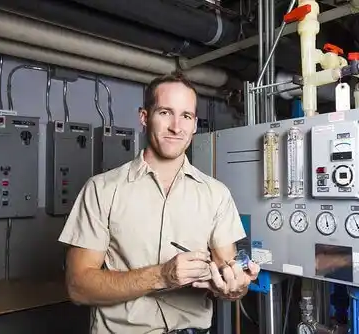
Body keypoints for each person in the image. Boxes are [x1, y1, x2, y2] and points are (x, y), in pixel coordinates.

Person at [58, 73, 260, 334]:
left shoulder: (216, 194)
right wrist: (162, 276)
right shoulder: (102, 190)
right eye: (165, 112)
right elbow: (78, 287)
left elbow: (229, 278)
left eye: (186, 116)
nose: (177, 126)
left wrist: (236, 287)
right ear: (144, 117)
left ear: (195, 124)